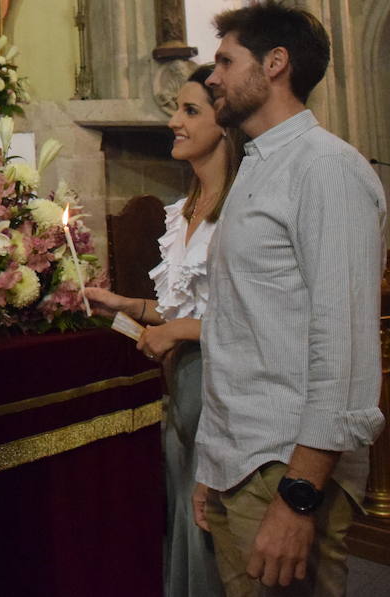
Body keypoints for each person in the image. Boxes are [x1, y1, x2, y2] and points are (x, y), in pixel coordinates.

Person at [194, 0, 385, 596]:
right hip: (240, 461)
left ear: (275, 64)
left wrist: (298, 499)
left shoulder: (327, 170)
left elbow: (345, 347)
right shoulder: (256, 165)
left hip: (286, 469)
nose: (213, 77)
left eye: (225, 61)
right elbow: (239, 328)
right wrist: (211, 466)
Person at [85, 64, 237, 597]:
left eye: (190, 111)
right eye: (176, 108)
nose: (173, 121)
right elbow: (178, 309)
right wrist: (124, 306)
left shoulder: (239, 212)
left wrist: (180, 334)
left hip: (225, 395)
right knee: (181, 532)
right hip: (182, 394)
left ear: (225, 122)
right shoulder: (183, 211)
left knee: (215, 544)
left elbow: (250, 319)